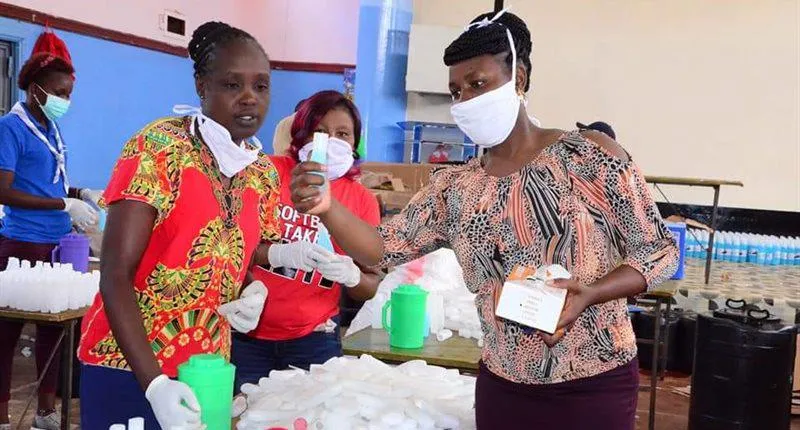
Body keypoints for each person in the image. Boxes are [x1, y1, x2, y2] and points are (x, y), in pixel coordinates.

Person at [289, 10, 678, 430]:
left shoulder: (587, 157)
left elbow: (658, 251)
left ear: (520, 79)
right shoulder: (455, 187)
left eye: (479, 84)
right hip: (503, 385)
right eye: (456, 91)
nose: (466, 102)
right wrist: (326, 207)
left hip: (591, 381)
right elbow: (381, 247)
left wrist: (593, 292)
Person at [77, 21, 327, 429]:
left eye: (261, 87)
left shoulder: (259, 170)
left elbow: (244, 250)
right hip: (128, 365)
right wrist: (155, 384)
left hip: (207, 366)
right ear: (201, 86)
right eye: (232, 85)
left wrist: (259, 280)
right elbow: (115, 275)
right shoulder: (158, 150)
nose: (249, 99)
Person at [232, 90, 381, 389]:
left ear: (354, 144)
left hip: (315, 339)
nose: (332, 140)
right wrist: (276, 254)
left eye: (343, 134)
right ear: (302, 134)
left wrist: (351, 276)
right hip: (247, 334)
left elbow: (371, 284)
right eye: (321, 132)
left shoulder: (361, 199)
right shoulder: (268, 172)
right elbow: (229, 245)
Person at [0, 51, 101, 430]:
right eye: (60, 92)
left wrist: (81, 193)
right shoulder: (11, 128)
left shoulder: (50, 128)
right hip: (21, 243)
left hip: (57, 242)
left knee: (54, 332)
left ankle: (45, 411)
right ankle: (3, 415)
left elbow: (47, 180)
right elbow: (4, 190)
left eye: (69, 94)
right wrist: (64, 202)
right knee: (5, 335)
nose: (65, 101)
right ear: (35, 89)